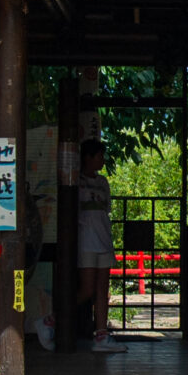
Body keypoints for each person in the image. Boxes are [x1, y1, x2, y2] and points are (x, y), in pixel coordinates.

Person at [73, 138, 116, 351]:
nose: (102, 160)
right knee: (87, 288)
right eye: (99, 156)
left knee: (102, 288)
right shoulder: (76, 180)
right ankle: (55, 319)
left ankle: (101, 334)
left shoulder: (103, 182)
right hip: (86, 239)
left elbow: (106, 208)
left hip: (103, 237)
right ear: (87, 158)